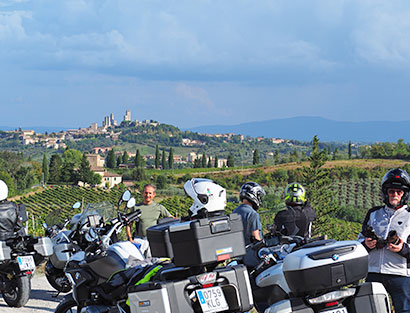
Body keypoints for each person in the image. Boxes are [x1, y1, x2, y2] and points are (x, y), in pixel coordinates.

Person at [358, 168, 410, 313]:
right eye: (391, 191)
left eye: (399, 192)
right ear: (385, 193)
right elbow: (359, 242)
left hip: (400, 275)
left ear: (404, 194)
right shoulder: (373, 213)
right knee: (369, 310)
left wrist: (403, 249)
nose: (395, 195)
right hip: (373, 271)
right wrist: (366, 245)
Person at [126, 184, 173, 256]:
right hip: (139, 240)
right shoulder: (136, 208)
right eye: (146, 193)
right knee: (137, 261)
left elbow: (171, 219)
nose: (147, 195)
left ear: (154, 194)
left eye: (150, 193)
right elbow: (129, 224)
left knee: (151, 262)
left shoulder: (159, 208)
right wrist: (130, 239)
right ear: (142, 193)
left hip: (153, 240)